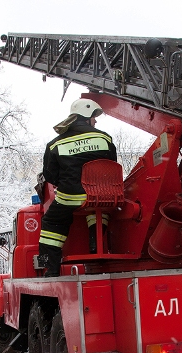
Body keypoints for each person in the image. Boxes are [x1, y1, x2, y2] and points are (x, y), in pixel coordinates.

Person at [39, 98, 118, 276]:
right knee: (98, 207)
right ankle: (95, 243)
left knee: (52, 221)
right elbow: (112, 164)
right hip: (101, 194)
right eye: (94, 117)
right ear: (86, 116)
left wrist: (67, 182)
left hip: (71, 195)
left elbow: (50, 175)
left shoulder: (55, 144)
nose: (95, 121)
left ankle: (50, 268)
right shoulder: (104, 138)